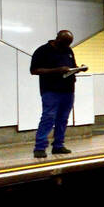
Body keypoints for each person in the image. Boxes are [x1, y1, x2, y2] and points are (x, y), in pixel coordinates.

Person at [29, 29, 82, 158]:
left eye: (68, 44)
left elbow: (72, 66)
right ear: (57, 39)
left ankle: (58, 145)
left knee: (63, 119)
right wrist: (56, 70)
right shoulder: (42, 50)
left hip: (68, 89)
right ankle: (40, 147)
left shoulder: (68, 50)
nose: (66, 46)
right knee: (48, 117)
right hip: (51, 89)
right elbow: (34, 70)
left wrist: (78, 69)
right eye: (64, 43)